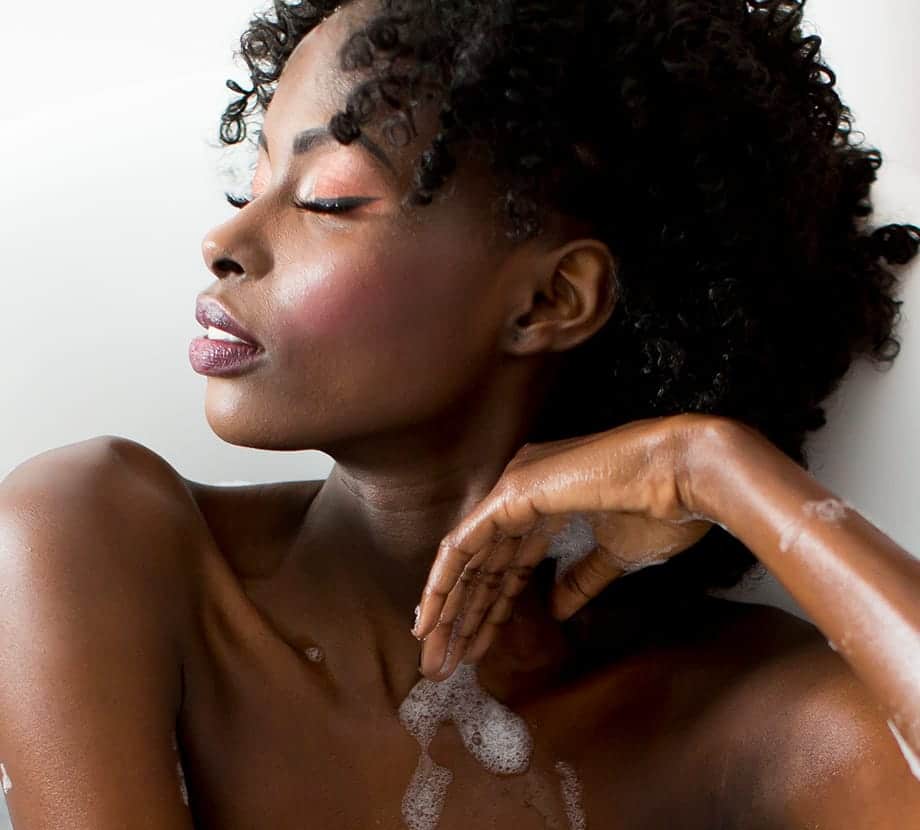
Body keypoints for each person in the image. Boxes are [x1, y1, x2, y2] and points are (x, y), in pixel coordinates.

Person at [1, 0, 919, 827]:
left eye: (328, 198)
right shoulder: (95, 539)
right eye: (252, 180)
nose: (226, 240)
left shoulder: (739, 720)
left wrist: (714, 468)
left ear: (550, 302)